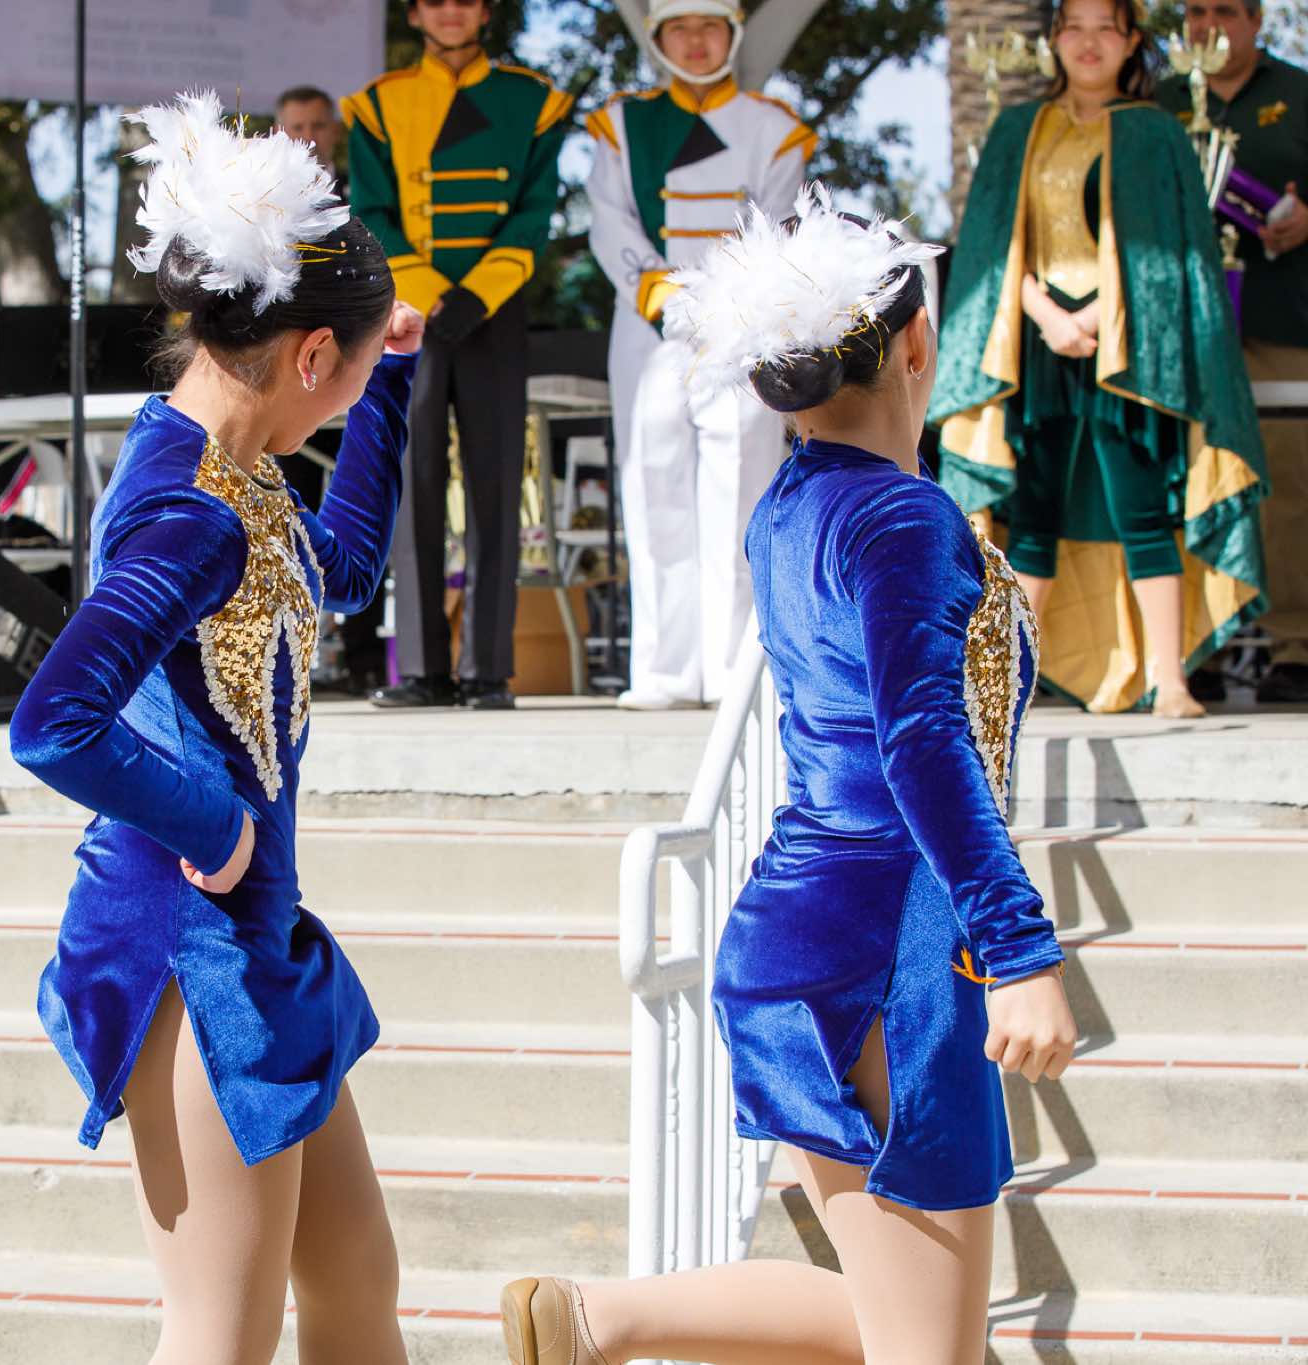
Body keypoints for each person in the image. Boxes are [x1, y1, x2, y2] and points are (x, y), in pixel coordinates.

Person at [501, 187, 1079, 1365]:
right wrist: (1017, 949)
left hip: (801, 928)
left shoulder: (790, 503)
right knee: (925, 1347)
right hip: (893, 947)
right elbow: (920, 743)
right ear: (916, 344)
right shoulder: (903, 519)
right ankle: (600, 1320)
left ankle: (594, 1320)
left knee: (908, 1329)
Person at [10, 92, 424, 1365]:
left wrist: (392, 382)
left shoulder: (235, 471)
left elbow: (340, 570)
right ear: (308, 355)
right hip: (188, 946)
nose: (343, 401)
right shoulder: (187, 508)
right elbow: (52, 722)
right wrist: (215, 829)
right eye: (349, 377)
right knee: (220, 1333)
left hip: (256, 932)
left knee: (354, 1284)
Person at [932, 0, 1267, 717]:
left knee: (1141, 506)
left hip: (1131, 348)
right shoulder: (1018, 129)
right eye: (1074, 28)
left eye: (1105, 29)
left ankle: (1171, 680)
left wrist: (1095, 314)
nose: (1089, 43)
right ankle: (1007, 683)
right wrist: (1048, 316)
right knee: (1035, 513)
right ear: (1054, 39)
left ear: (1132, 41)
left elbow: (1168, 255)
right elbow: (992, 249)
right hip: (1036, 345)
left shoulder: (1157, 134)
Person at [585, 0, 814, 709]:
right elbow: (608, 218)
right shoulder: (621, 122)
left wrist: (730, 301)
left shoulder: (775, 126)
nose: (694, 41)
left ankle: (734, 671)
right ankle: (664, 670)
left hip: (741, 321)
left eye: (709, 26)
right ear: (657, 39)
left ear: (732, 33)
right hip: (647, 320)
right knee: (651, 482)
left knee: (742, 483)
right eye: (678, 28)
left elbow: (780, 223)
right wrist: (657, 290)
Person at [344, 0, 571, 710]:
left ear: (485, 11)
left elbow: (535, 209)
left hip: (494, 311)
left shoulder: (534, 102)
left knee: (497, 483)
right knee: (411, 479)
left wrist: (481, 291)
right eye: (436, 0)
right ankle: (421, 668)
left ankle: (487, 669)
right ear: (415, 13)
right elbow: (372, 211)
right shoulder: (377, 105)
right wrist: (432, 295)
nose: (451, 11)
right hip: (409, 310)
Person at [1161, 0, 1308, 704]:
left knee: (1287, 487)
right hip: (1184, 330)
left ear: (1256, 21)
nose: (1208, 24)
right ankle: (1195, 648)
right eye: (1195, 10)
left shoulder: (1297, 93)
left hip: (1283, 324)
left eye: (1225, 9)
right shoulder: (1158, 100)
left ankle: (1295, 646)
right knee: (1189, 480)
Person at [275, 82, 387, 694]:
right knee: (288, 514)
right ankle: (293, 657)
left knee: (358, 509)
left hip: (349, 373)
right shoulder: (261, 204)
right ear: (278, 133)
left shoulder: (363, 199)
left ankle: (364, 656)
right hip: (287, 380)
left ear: (335, 133)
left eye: (318, 126)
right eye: (296, 127)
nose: (308, 138)